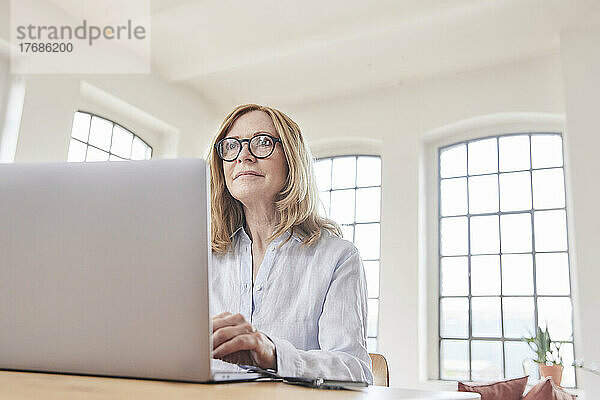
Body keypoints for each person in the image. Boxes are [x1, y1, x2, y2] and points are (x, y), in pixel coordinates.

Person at [207, 104, 373, 383]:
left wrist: (274, 355)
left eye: (262, 142)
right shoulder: (203, 258)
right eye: (231, 146)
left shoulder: (338, 257)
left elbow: (355, 369)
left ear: (292, 160)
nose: (243, 156)